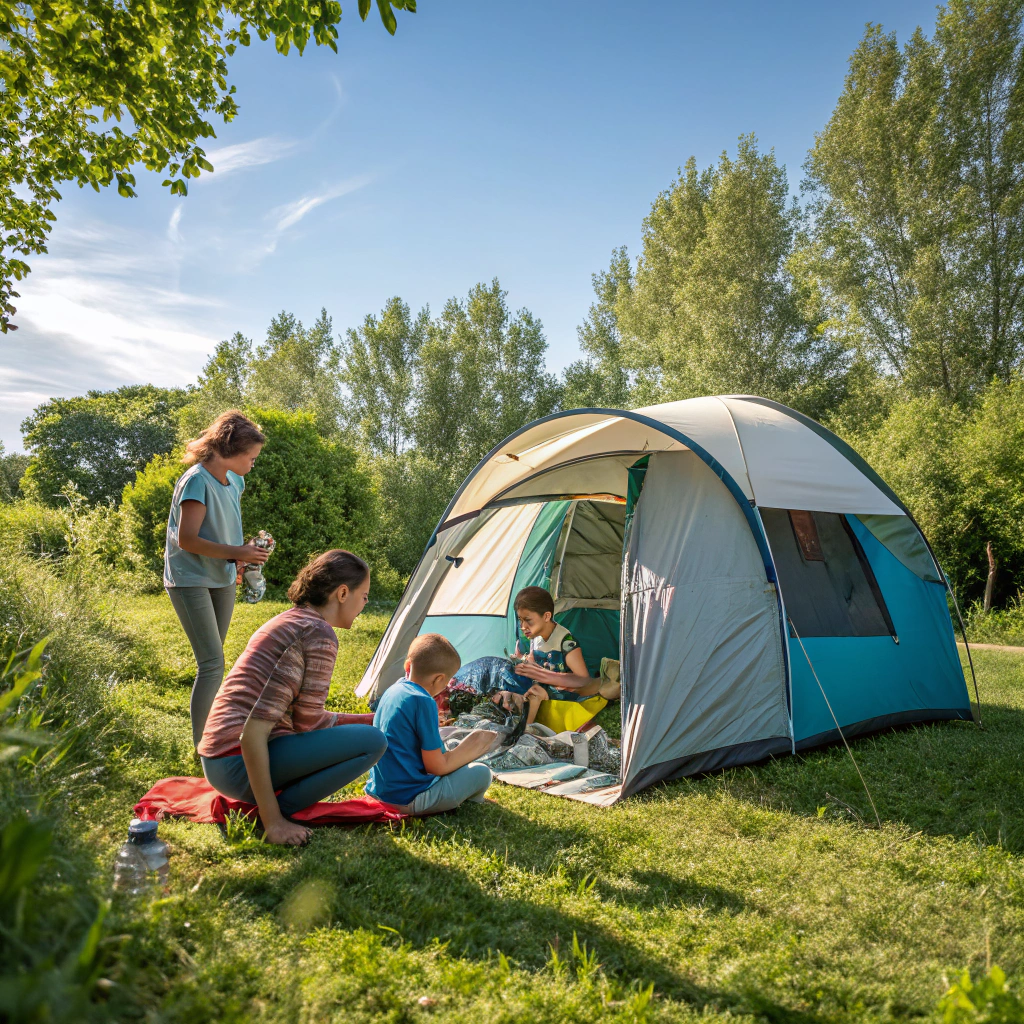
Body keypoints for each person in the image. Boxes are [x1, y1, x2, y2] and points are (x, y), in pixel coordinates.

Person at [198, 550, 387, 846]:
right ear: (342, 593)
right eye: (364, 596)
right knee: (373, 742)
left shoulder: (291, 620)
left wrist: (373, 718)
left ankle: (271, 806)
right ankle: (275, 813)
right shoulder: (318, 633)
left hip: (217, 760)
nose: (365, 604)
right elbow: (288, 727)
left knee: (370, 732)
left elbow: (304, 719)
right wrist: (274, 823)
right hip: (236, 762)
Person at [165, 410, 269, 746]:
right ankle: (205, 747)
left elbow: (223, 529)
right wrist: (238, 553)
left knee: (216, 659)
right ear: (232, 451)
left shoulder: (235, 480)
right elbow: (188, 540)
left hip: (221, 576)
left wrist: (243, 553)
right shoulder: (196, 480)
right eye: (251, 457)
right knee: (212, 663)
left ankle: (214, 736)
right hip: (189, 578)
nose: (253, 464)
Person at [367, 634, 494, 815]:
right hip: (408, 799)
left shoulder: (394, 689)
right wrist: (472, 749)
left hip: (379, 791)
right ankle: (473, 798)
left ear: (408, 666)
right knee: (482, 772)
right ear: (438, 679)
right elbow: (437, 767)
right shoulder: (423, 701)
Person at [451, 586, 602, 724]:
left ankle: (526, 730)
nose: (523, 627)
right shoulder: (535, 637)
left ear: (547, 616)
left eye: (528, 620)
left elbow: (583, 680)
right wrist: (522, 659)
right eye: (520, 620)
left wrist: (543, 675)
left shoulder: (566, 642)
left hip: (563, 694)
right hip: (541, 684)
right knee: (504, 679)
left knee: (533, 693)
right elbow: (533, 661)